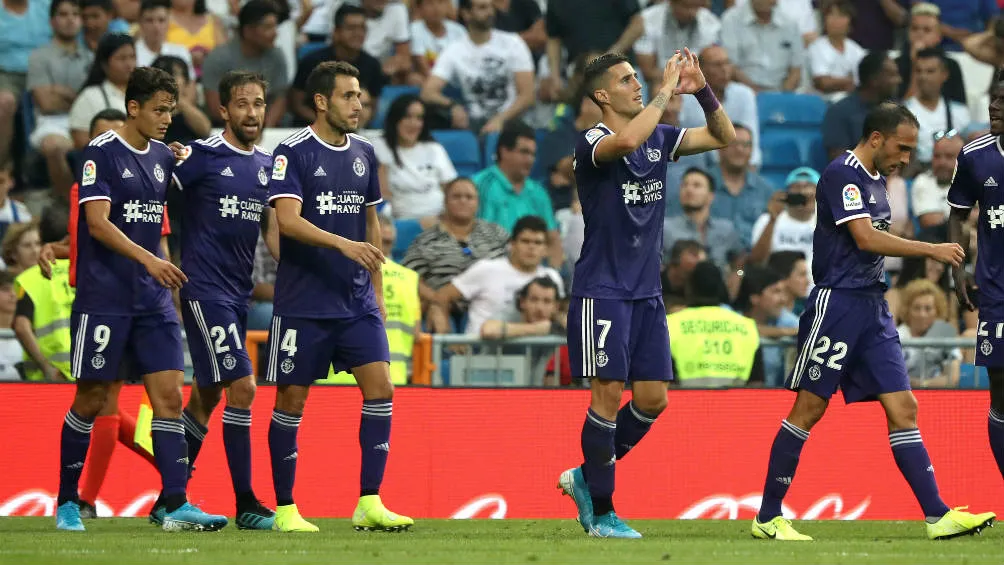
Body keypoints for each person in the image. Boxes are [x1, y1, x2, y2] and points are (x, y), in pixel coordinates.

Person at [751, 102, 994, 541]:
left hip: (872, 308)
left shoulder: (880, 181)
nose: (906, 159)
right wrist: (932, 249)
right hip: (837, 306)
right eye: (902, 148)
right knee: (810, 407)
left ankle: (937, 515)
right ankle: (767, 515)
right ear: (877, 138)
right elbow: (864, 237)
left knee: (904, 407)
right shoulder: (842, 173)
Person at [558, 50, 736, 538]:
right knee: (608, 396)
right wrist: (665, 89)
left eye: (638, 78)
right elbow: (627, 138)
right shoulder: (593, 141)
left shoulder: (660, 137)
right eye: (625, 80)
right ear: (601, 96)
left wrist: (699, 89)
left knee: (654, 400)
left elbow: (725, 137)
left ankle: (584, 476)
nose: (636, 85)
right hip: (602, 290)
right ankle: (603, 511)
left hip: (646, 293)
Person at [53, 66, 227, 532]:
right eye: (159, 110)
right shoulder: (100, 154)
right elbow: (97, 223)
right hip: (104, 298)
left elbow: (173, 213)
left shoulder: (161, 158)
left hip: (152, 301)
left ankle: (174, 502)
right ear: (134, 108)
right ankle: (68, 502)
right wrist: (149, 260)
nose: (168, 118)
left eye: (171, 109)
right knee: (90, 399)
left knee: (168, 398)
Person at [265, 61, 412, 533]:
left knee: (382, 390)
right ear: (323, 101)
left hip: (355, 303)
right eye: (349, 96)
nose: (358, 105)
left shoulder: (365, 152)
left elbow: (370, 221)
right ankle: (286, 508)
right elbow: (286, 220)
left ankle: (369, 501)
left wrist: (376, 290)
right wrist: (343, 244)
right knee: (291, 400)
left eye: (361, 97)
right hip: (304, 302)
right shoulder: (291, 152)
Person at [158, 70, 278, 529]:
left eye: (260, 103)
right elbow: (155, 186)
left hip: (237, 294)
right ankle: (246, 502)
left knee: (205, 398)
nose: (253, 113)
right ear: (224, 110)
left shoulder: (266, 165)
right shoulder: (201, 157)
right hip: (204, 289)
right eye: (243, 104)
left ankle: (170, 497)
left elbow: (271, 233)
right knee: (243, 388)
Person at [38, 109, 163, 520]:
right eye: (101, 138)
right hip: (96, 300)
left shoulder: (146, 179)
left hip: (135, 299)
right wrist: (57, 249)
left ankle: (85, 499)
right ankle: (166, 467)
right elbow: (86, 237)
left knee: (107, 401)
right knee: (100, 400)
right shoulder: (83, 187)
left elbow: (149, 241)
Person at [948, 70, 1004, 488]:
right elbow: (957, 212)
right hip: (997, 291)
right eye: (993, 98)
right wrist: (957, 265)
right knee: (999, 392)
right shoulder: (974, 154)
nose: (995, 106)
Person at [427, 215, 563, 335]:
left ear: (545, 249)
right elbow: (441, 297)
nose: (531, 247)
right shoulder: (487, 268)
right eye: (525, 241)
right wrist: (447, 332)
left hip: (531, 355)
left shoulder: (552, 277)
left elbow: (558, 314)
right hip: (478, 351)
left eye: (537, 242)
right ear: (512, 244)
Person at [668, 260, 762, 388]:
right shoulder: (747, 326)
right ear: (721, 288)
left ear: (689, 288)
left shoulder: (670, 324)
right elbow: (757, 385)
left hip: (686, 404)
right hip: (737, 404)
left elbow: (663, 382)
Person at [372, 95, 457, 221]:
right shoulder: (379, 146)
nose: (414, 124)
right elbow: (383, 195)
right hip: (401, 222)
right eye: (407, 117)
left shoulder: (434, 148)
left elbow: (451, 190)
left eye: (419, 118)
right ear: (395, 119)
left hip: (439, 219)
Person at [68, 33, 137, 149]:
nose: (129, 64)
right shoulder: (90, 97)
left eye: (132, 57)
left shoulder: (145, 93)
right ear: (104, 64)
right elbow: (81, 142)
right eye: (122, 58)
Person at [897, 279, 961, 388]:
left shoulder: (945, 333)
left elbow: (952, 378)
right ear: (907, 310)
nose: (922, 314)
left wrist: (921, 384)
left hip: (937, 398)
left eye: (928, 308)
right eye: (917, 308)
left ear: (937, 311)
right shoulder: (896, 336)